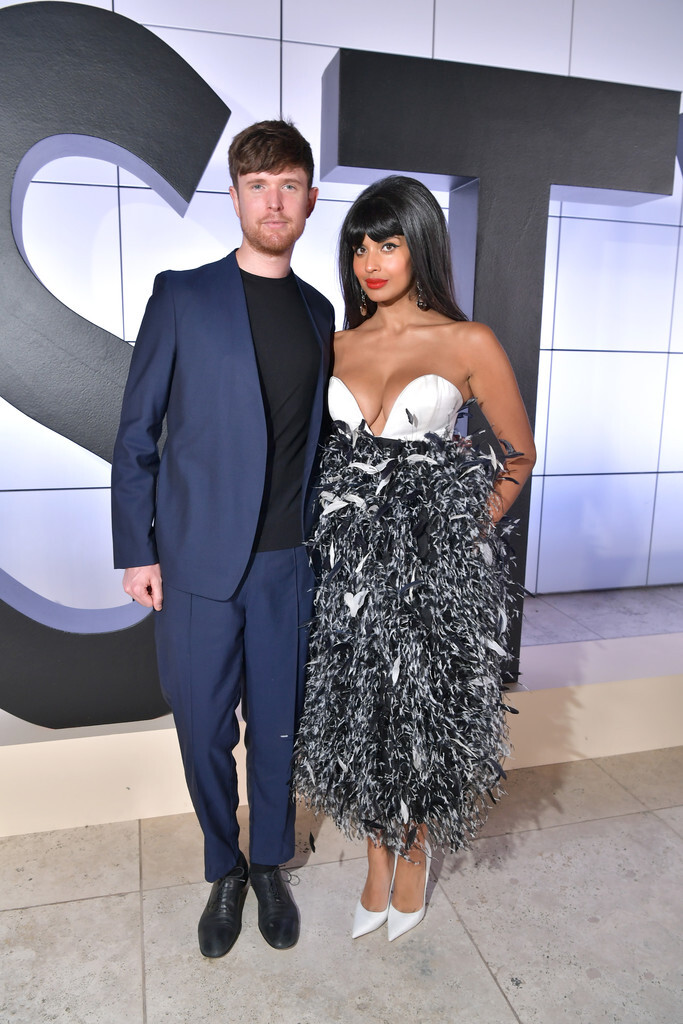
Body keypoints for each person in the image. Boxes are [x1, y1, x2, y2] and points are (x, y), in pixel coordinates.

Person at [111, 120, 334, 958]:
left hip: (287, 563)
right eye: (257, 186)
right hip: (195, 561)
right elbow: (136, 432)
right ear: (234, 197)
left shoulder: (318, 312)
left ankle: (268, 861)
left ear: (309, 200)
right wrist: (136, 548)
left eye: (288, 186)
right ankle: (224, 866)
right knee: (203, 727)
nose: (273, 202)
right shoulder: (182, 296)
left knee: (276, 725)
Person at [292, 175, 536, 941]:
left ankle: (415, 853)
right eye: (358, 246)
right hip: (346, 575)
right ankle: (375, 859)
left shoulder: (468, 343)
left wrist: (462, 531)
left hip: (431, 576)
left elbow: (518, 456)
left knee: (421, 716)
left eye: (387, 244)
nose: (369, 262)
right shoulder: (332, 346)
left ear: (419, 246)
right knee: (357, 715)